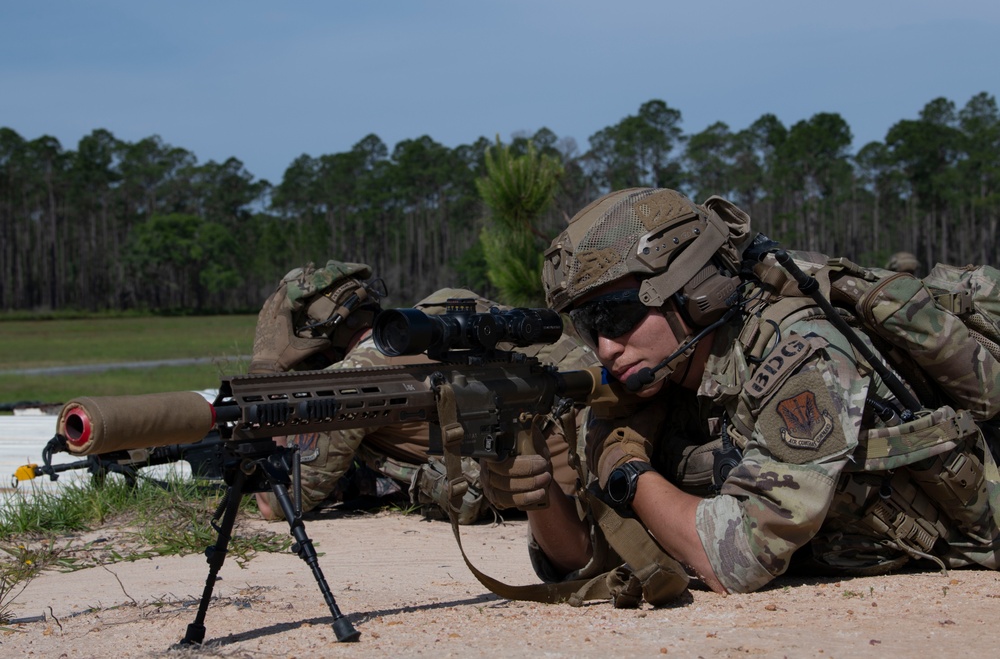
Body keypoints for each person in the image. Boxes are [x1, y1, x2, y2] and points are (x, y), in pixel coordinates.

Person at [479, 187, 1000, 601]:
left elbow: (735, 560)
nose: (608, 347)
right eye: (589, 327)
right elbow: (587, 557)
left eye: (616, 315)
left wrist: (626, 472)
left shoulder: (800, 353)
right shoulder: (654, 377)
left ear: (690, 288)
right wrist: (540, 490)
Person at [248, 259, 598, 523]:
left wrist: (267, 376)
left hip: (563, 496)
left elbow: (281, 502)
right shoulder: (443, 321)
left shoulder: (355, 377)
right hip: (601, 441)